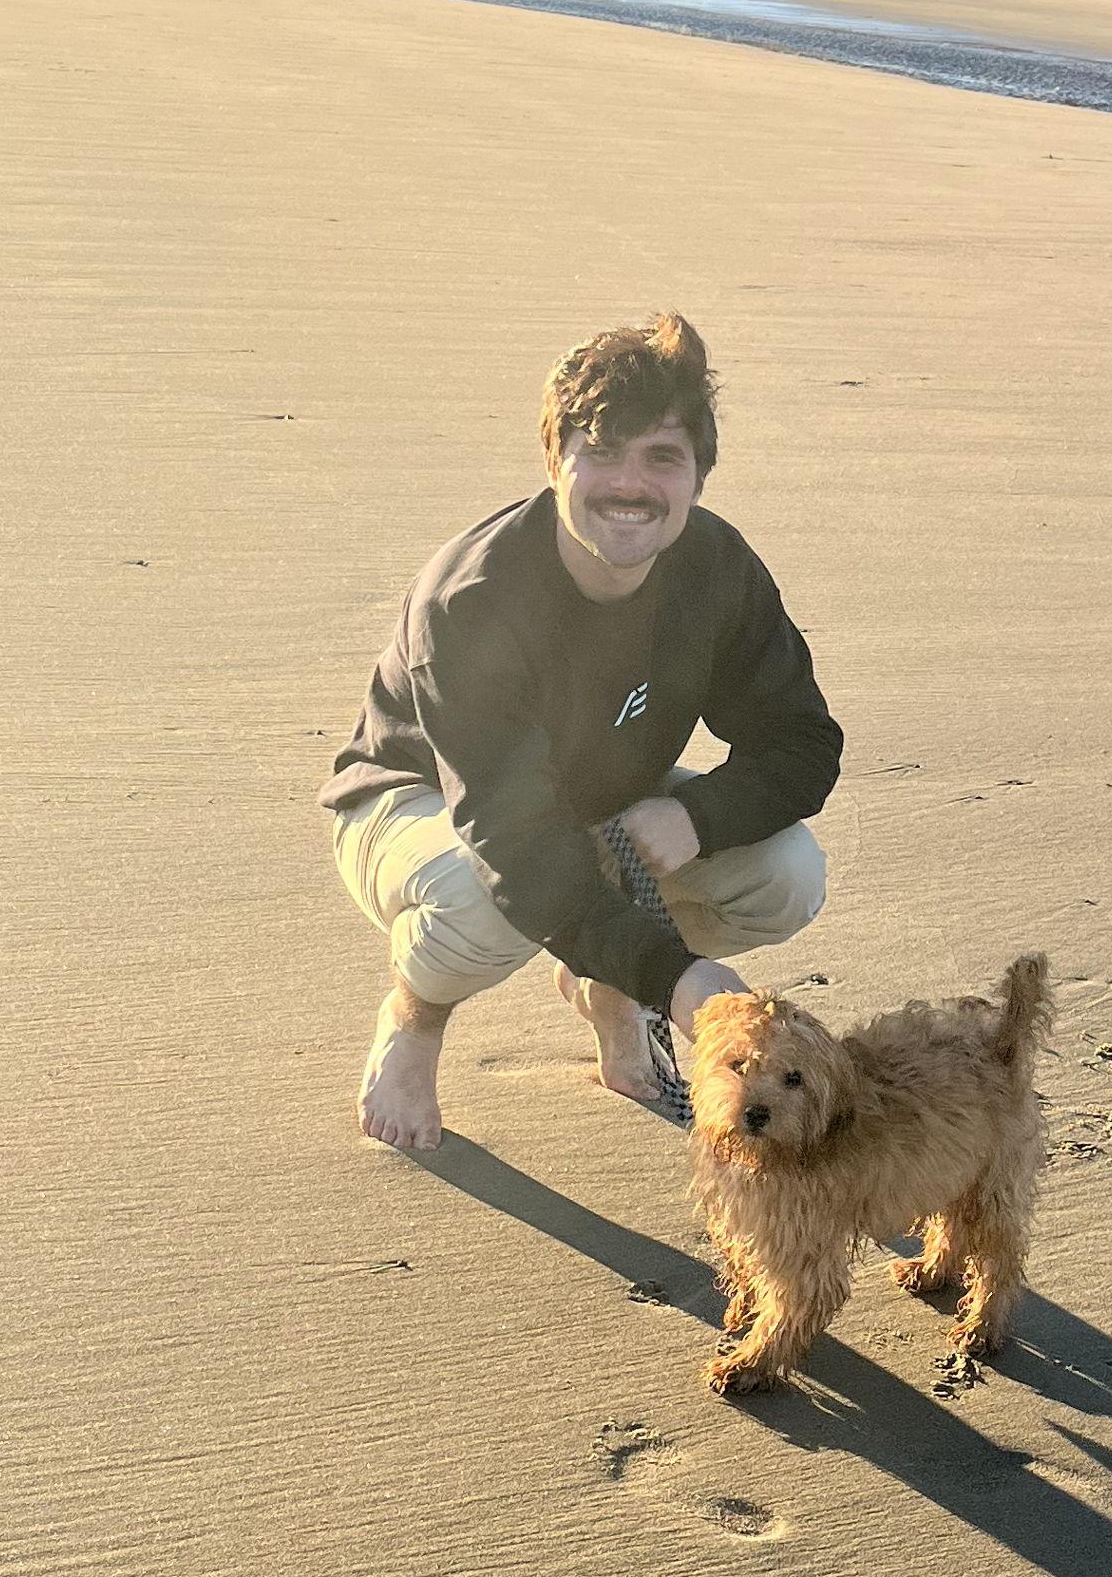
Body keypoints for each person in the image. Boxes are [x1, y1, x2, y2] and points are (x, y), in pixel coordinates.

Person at [321, 314, 843, 1151]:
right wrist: (681, 979)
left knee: (787, 874)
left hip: (599, 802)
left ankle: (610, 982)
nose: (630, 485)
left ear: (699, 475)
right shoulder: (474, 601)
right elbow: (516, 850)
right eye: (602, 452)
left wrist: (691, 819)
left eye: (661, 458)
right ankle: (415, 1018)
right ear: (554, 459)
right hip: (417, 803)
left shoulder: (716, 568)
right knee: (487, 900)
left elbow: (803, 743)